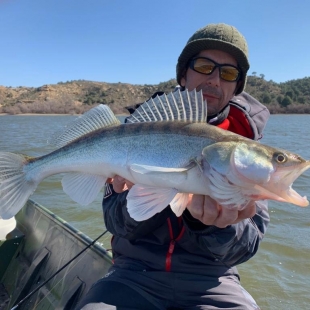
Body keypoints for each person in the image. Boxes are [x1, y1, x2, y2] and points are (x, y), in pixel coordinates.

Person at [76, 23, 270, 310]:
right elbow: (115, 223)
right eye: (205, 66)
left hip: (213, 281)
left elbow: (246, 247)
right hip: (132, 273)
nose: (215, 80)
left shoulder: (246, 152)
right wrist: (136, 199)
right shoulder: (133, 135)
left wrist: (208, 224)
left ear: (236, 86)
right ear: (183, 73)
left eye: (228, 73)